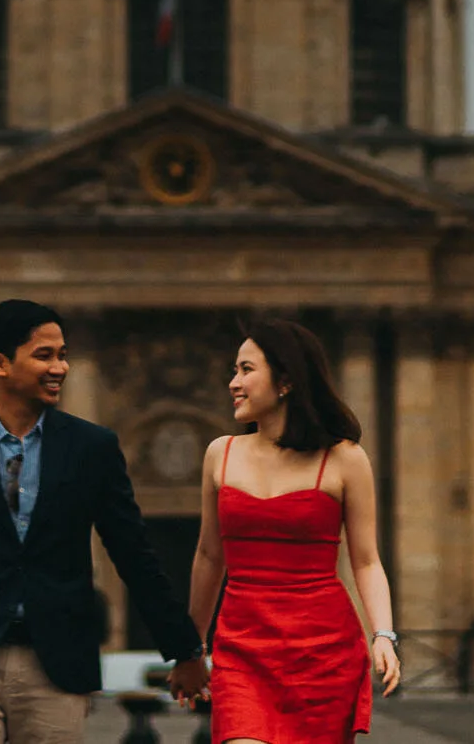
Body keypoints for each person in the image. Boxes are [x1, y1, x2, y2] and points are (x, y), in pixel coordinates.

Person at [0, 299, 209, 744]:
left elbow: (134, 556)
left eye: (62, 355)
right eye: (44, 355)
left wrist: (184, 650)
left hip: (55, 664)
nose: (60, 367)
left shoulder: (92, 448)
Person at [191, 318, 398, 744]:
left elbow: (366, 561)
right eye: (234, 370)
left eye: (246, 370)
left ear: (285, 381)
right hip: (243, 648)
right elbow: (210, 556)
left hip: (323, 652)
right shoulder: (220, 454)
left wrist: (383, 634)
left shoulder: (345, 459)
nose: (233, 382)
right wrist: (191, 645)